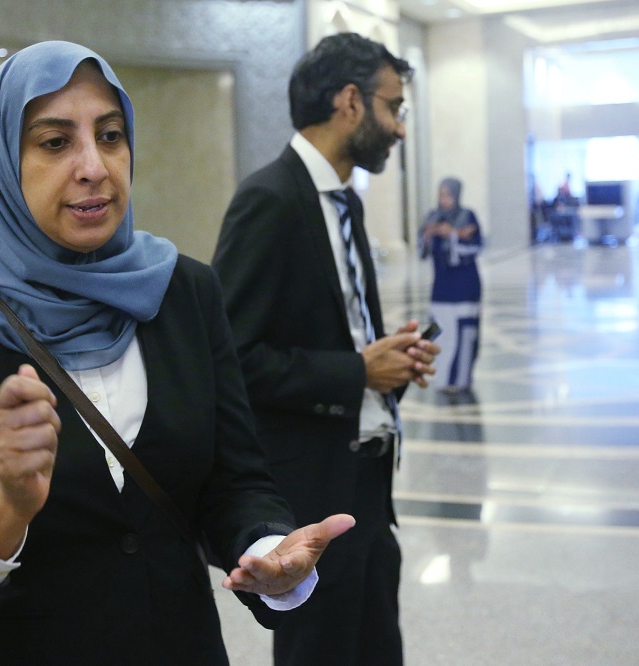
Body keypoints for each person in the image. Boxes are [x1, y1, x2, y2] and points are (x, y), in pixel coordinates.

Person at [0, 41, 356, 665]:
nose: (93, 166)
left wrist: (267, 546)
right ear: (4, 163)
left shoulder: (184, 292)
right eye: (55, 141)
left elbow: (236, 481)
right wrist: (2, 509)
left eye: (111, 135)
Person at [212, 33, 439, 666]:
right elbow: (232, 357)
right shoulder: (271, 200)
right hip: (312, 491)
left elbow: (332, 331)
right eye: (394, 107)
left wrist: (385, 359)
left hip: (366, 480)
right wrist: (355, 370)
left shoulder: (342, 201)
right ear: (350, 102)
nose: (398, 128)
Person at [419, 177, 483, 393]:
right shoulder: (433, 217)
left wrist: (453, 236)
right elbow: (423, 252)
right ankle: (440, 379)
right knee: (439, 331)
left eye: (447, 194)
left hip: (465, 287)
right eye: (441, 194)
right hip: (441, 287)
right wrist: (429, 235)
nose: (443, 199)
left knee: (464, 335)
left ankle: (460, 380)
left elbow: (474, 248)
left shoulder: (467, 216)